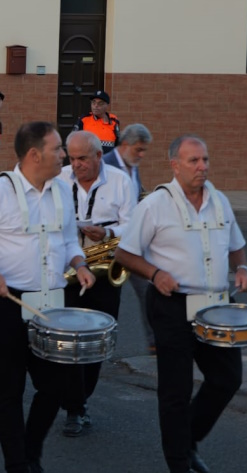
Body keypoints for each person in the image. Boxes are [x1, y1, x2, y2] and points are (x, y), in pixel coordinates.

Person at [0, 121, 91, 473]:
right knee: (11, 387)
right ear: (34, 154)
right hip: (9, 301)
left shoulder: (62, 190)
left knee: (56, 387)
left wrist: (79, 263)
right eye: (58, 149)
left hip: (53, 303)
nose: (64, 155)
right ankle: (17, 464)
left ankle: (30, 452)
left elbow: (69, 239)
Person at [115, 135, 247, 473]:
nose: (202, 167)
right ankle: (178, 462)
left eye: (205, 160)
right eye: (193, 161)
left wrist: (244, 268)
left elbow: (236, 244)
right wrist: (155, 272)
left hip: (217, 305)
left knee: (227, 379)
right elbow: (124, 254)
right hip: (171, 305)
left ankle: (186, 439)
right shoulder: (154, 205)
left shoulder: (219, 200)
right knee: (175, 389)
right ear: (174, 165)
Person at [58, 130, 135, 437]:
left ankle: (80, 400)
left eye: (82, 159)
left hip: (105, 273)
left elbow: (134, 226)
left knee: (95, 342)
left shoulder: (120, 181)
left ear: (98, 156)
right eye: (72, 158)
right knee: (68, 342)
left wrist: (108, 233)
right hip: (67, 272)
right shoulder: (60, 178)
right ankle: (74, 408)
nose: (76, 165)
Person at [106, 123, 154, 349]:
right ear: (124, 145)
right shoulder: (105, 164)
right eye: (138, 150)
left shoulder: (132, 165)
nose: (141, 155)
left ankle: (154, 342)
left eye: (144, 150)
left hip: (132, 242)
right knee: (107, 297)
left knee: (147, 289)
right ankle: (102, 338)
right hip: (107, 245)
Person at [72, 90, 121, 154]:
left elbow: (118, 143)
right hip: (89, 160)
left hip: (108, 160)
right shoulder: (84, 120)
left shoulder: (114, 121)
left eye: (100, 103)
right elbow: (73, 139)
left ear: (107, 105)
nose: (96, 106)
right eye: (93, 102)